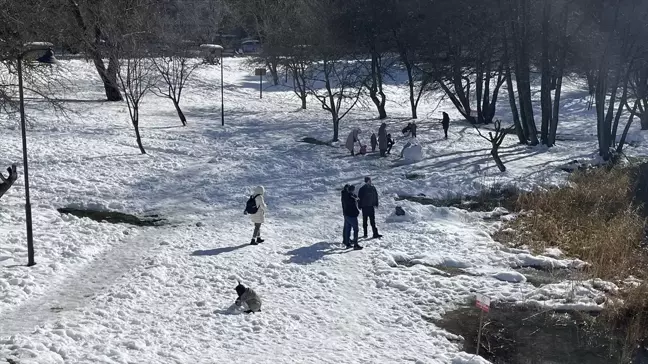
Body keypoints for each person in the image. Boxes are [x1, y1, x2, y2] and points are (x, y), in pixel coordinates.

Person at [342, 185, 363, 250]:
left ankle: (347, 243)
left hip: (346, 215)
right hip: (352, 215)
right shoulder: (350, 197)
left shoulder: (344, 195)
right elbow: (353, 204)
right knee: (356, 229)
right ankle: (355, 245)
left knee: (347, 229)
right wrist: (356, 200)